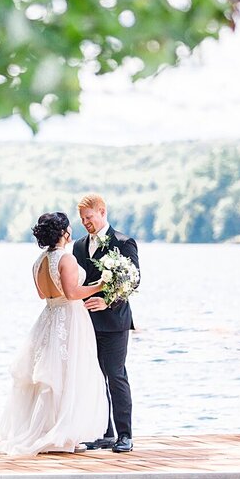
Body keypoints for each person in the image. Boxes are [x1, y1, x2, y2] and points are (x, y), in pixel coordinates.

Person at [0, 212, 109, 456]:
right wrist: (102, 284)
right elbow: (72, 294)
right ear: (63, 232)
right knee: (69, 373)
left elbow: (42, 294)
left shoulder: (38, 261)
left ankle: (50, 429)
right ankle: (62, 434)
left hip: (48, 317)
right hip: (69, 319)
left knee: (51, 375)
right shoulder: (65, 259)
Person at [73, 193, 139, 453]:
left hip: (114, 322)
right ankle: (104, 433)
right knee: (95, 378)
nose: (85, 223)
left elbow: (133, 281)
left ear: (102, 211)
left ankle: (125, 435)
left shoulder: (123, 242)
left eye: (89, 217)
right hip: (86, 322)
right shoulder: (78, 246)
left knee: (115, 375)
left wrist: (107, 301)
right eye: (82, 220)